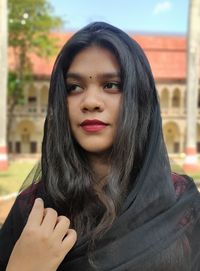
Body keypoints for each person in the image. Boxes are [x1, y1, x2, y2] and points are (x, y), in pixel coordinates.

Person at [0, 21, 200, 271]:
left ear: (140, 98)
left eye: (111, 85)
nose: (90, 102)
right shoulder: (35, 210)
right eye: (74, 87)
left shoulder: (179, 206)